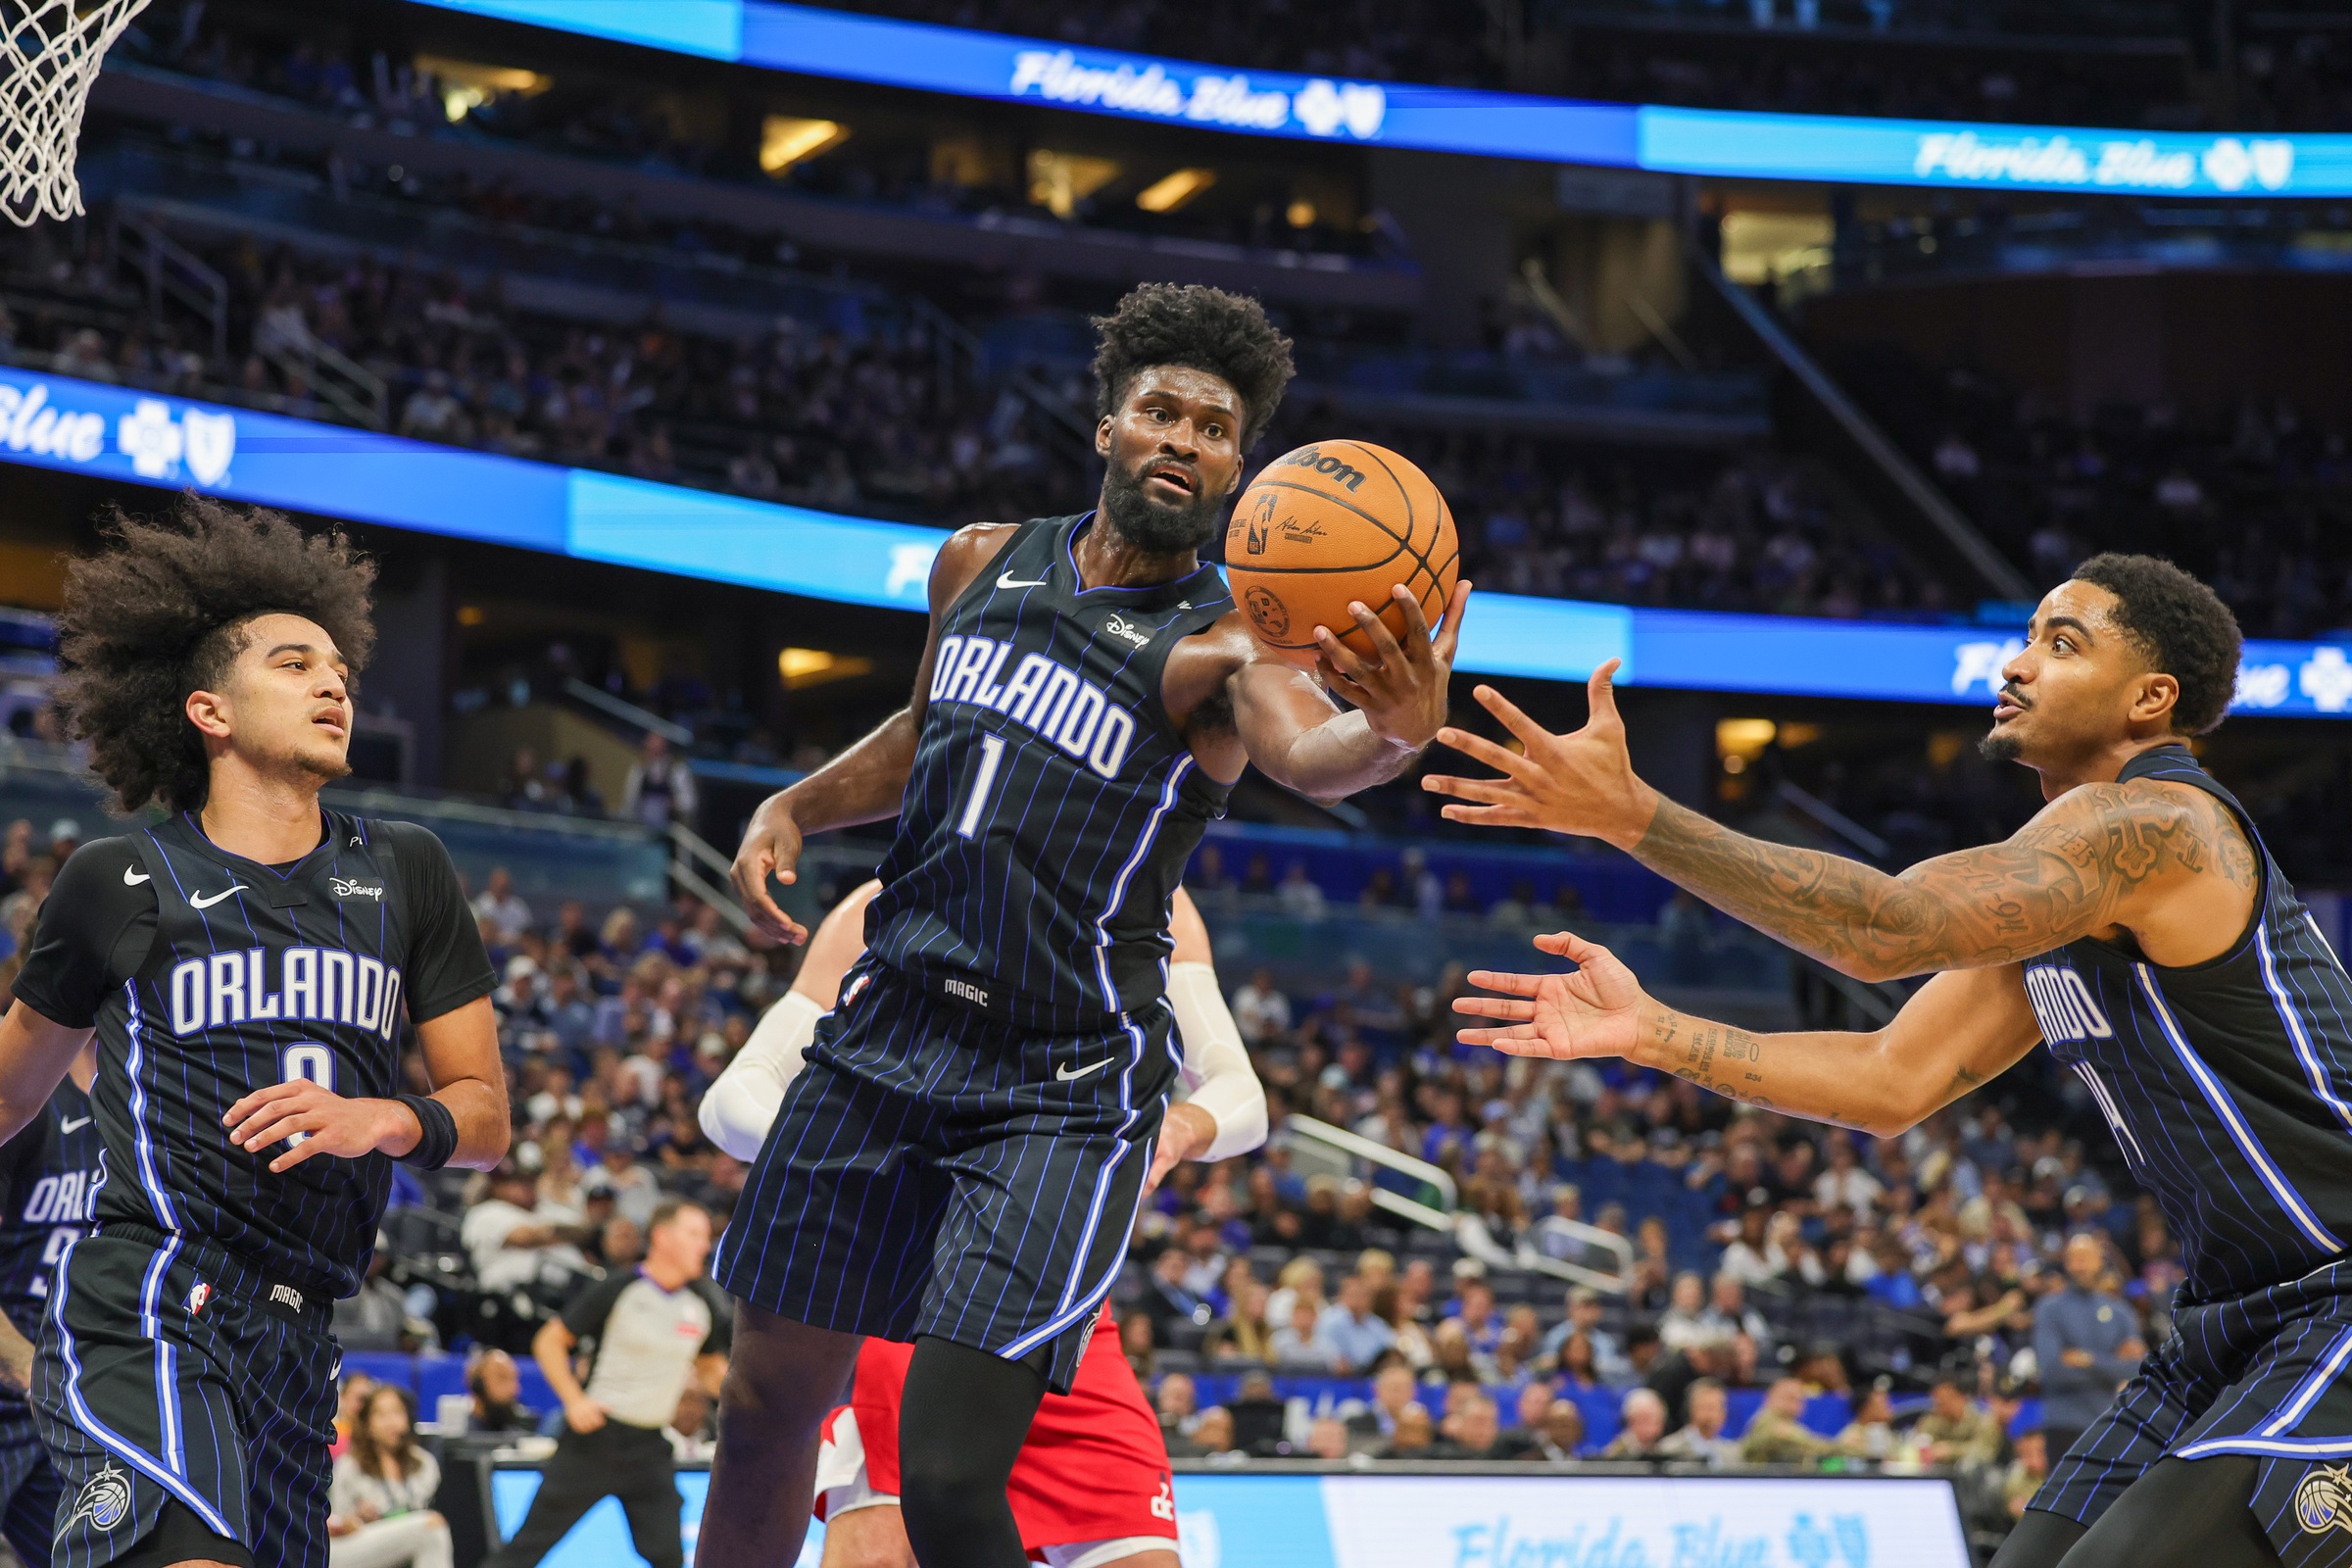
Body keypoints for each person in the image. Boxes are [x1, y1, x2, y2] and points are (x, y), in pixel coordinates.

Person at [703, 281, 1469, 1568]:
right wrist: (794, 803)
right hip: (886, 1025)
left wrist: (1396, 726)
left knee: (950, 1474)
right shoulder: (977, 559)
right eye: (1161, 411)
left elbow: (1316, 757)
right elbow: (923, 729)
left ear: (1238, 470)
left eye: (1216, 428)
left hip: (1059, 1080)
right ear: (1106, 427)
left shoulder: (1228, 650)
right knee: (763, 1405)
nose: (1185, 438)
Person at [1435, 555, 2352, 1568]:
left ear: (2151, 697)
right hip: (2227, 1322)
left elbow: (1887, 928)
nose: (2019, 664)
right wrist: (1654, 1032)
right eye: (2028, 636)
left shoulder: (2158, 825)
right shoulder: (2069, 888)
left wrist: (1632, 816)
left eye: (2062, 642)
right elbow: (1890, 1080)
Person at [0, 500, 507, 1568]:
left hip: (300, 1328)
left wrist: (383, 1117)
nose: (334, 684)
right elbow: (9, 1094)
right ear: (208, 711)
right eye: (293, 663)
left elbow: (485, 1114)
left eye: (339, 669)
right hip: (151, 1300)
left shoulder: (407, 869)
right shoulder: (119, 879)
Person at [701, 876, 1267, 1568]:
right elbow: (737, 1092)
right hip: (912, 1292)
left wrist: (1177, 1128)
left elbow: (1243, 1097)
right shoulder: (898, 892)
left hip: (1056, 1300)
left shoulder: (1154, 893)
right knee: (877, 1551)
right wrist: (852, 1157)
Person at [485, 1200, 728, 1568]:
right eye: (694, 1234)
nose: (705, 1245)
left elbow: (712, 1371)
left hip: (650, 1448)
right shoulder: (620, 1288)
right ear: (661, 1237)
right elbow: (549, 1341)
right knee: (525, 1550)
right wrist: (574, 1401)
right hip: (596, 1440)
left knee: (668, 1558)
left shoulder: (700, 1304)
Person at [0, 1044, 100, 1566]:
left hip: (68, 1395)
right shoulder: (21, 1090)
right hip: (22, 1374)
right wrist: (24, 1364)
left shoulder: (138, 1096)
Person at [2035, 1232, 2146, 1462]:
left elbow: (2137, 1369)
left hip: (2109, 1422)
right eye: (2074, 1258)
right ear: (2065, 1263)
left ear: (2100, 1260)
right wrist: (2112, 1365)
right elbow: (2052, 1371)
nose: (2080, 1265)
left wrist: (2088, 1360)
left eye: (2086, 1257)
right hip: (2063, 1424)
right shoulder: (2049, 1309)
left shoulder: (2120, 1312)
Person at [327, 1387, 450, 1568]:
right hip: (356, 1546)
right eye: (381, 1414)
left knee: (432, 1530)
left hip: (409, 1542)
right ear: (367, 1423)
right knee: (429, 1529)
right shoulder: (349, 1466)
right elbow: (336, 1522)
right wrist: (355, 1517)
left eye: (397, 1412)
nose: (391, 1422)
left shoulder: (424, 1463)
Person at [1739, 1378, 1840, 1467]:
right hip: (1762, 1483)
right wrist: (1844, 1447)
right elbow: (1809, 1444)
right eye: (1790, 1398)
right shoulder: (1769, 1420)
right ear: (1769, 1398)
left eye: (1799, 1400)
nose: (1795, 1405)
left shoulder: (1789, 1423)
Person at [1656, 1378, 1740, 1468]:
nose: (1711, 1415)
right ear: (1691, 1409)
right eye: (1707, 1407)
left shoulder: (1732, 1454)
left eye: (1717, 1408)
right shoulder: (1668, 1449)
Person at [1600, 1390, 1667, 1459]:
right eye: (1645, 1421)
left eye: (1657, 1422)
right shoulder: (1617, 1453)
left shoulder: (1664, 1449)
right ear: (1631, 1421)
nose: (1653, 1428)